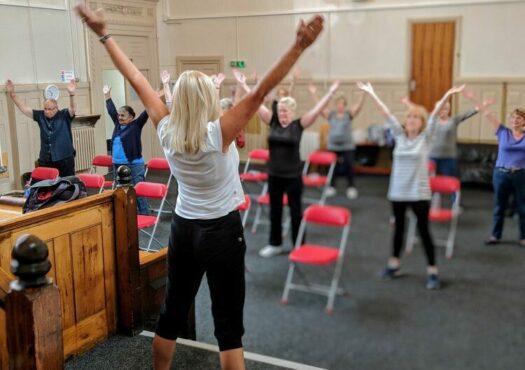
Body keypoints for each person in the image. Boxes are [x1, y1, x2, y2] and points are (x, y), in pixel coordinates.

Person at [76, 4, 324, 369]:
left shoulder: (165, 129)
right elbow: (261, 92)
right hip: (221, 232)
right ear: (207, 100)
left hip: (183, 229)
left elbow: (136, 80)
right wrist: (298, 46)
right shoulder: (218, 133)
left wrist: (104, 34)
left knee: (171, 312)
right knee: (228, 330)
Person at [357, 81, 465, 290]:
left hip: (419, 193)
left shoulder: (426, 138)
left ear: (422, 122)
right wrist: (371, 93)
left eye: (416, 117)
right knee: (399, 229)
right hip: (398, 192)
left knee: (423, 231)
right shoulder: (398, 135)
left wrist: (448, 94)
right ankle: (394, 265)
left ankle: (432, 271)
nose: (412, 119)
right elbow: (385, 112)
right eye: (409, 116)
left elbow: (434, 115)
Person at [236, 69, 340, 257]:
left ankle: (299, 245)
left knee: (295, 213)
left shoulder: (298, 125)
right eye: (280, 110)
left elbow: (316, 111)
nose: (282, 113)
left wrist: (330, 93)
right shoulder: (273, 122)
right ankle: (275, 244)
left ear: (292, 112)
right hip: (274, 175)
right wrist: (244, 85)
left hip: (293, 176)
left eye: (285, 111)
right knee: (275, 210)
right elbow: (257, 102)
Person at [402, 90, 493, 178]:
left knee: (451, 181)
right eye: (440, 109)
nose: (442, 111)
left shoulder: (453, 120)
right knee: (430, 182)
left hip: (449, 157)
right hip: (432, 156)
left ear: (448, 110)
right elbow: (418, 111)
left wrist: (484, 104)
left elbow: (470, 112)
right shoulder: (432, 118)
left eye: (445, 109)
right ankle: (433, 194)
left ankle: (454, 194)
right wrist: (407, 102)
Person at [6, 79, 77, 176]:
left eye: (50, 109)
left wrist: (72, 94)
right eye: (45, 109)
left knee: (67, 185)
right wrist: (13, 95)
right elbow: (25, 109)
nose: (47, 111)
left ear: (56, 108)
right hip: (46, 159)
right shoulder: (40, 116)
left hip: (64, 159)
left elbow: (73, 109)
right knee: (46, 186)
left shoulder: (64, 115)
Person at [308, 82, 366, 199]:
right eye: (338, 104)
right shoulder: (331, 115)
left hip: (347, 146)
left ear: (344, 106)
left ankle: (351, 187)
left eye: (342, 104)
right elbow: (320, 107)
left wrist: (364, 92)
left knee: (349, 166)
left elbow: (358, 106)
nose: (340, 106)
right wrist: (313, 94)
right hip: (333, 146)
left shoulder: (348, 115)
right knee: (332, 168)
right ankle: (332, 187)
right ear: (335, 105)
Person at [104, 85, 150, 215]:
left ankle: (144, 214)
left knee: (138, 190)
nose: (119, 117)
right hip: (117, 164)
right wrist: (107, 96)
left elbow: (146, 113)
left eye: (123, 115)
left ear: (131, 117)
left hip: (134, 164)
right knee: (119, 190)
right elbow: (111, 111)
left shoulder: (136, 125)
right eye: (119, 115)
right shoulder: (118, 125)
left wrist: (152, 99)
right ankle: (122, 214)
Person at [482, 107, 525, 247]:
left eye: (519, 118)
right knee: (499, 206)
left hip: (521, 174)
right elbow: (488, 114)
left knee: (522, 207)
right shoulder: (502, 132)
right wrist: (481, 103)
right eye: (513, 117)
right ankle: (495, 235)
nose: (515, 120)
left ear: (524, 121)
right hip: (501, 174)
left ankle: (523, 237)